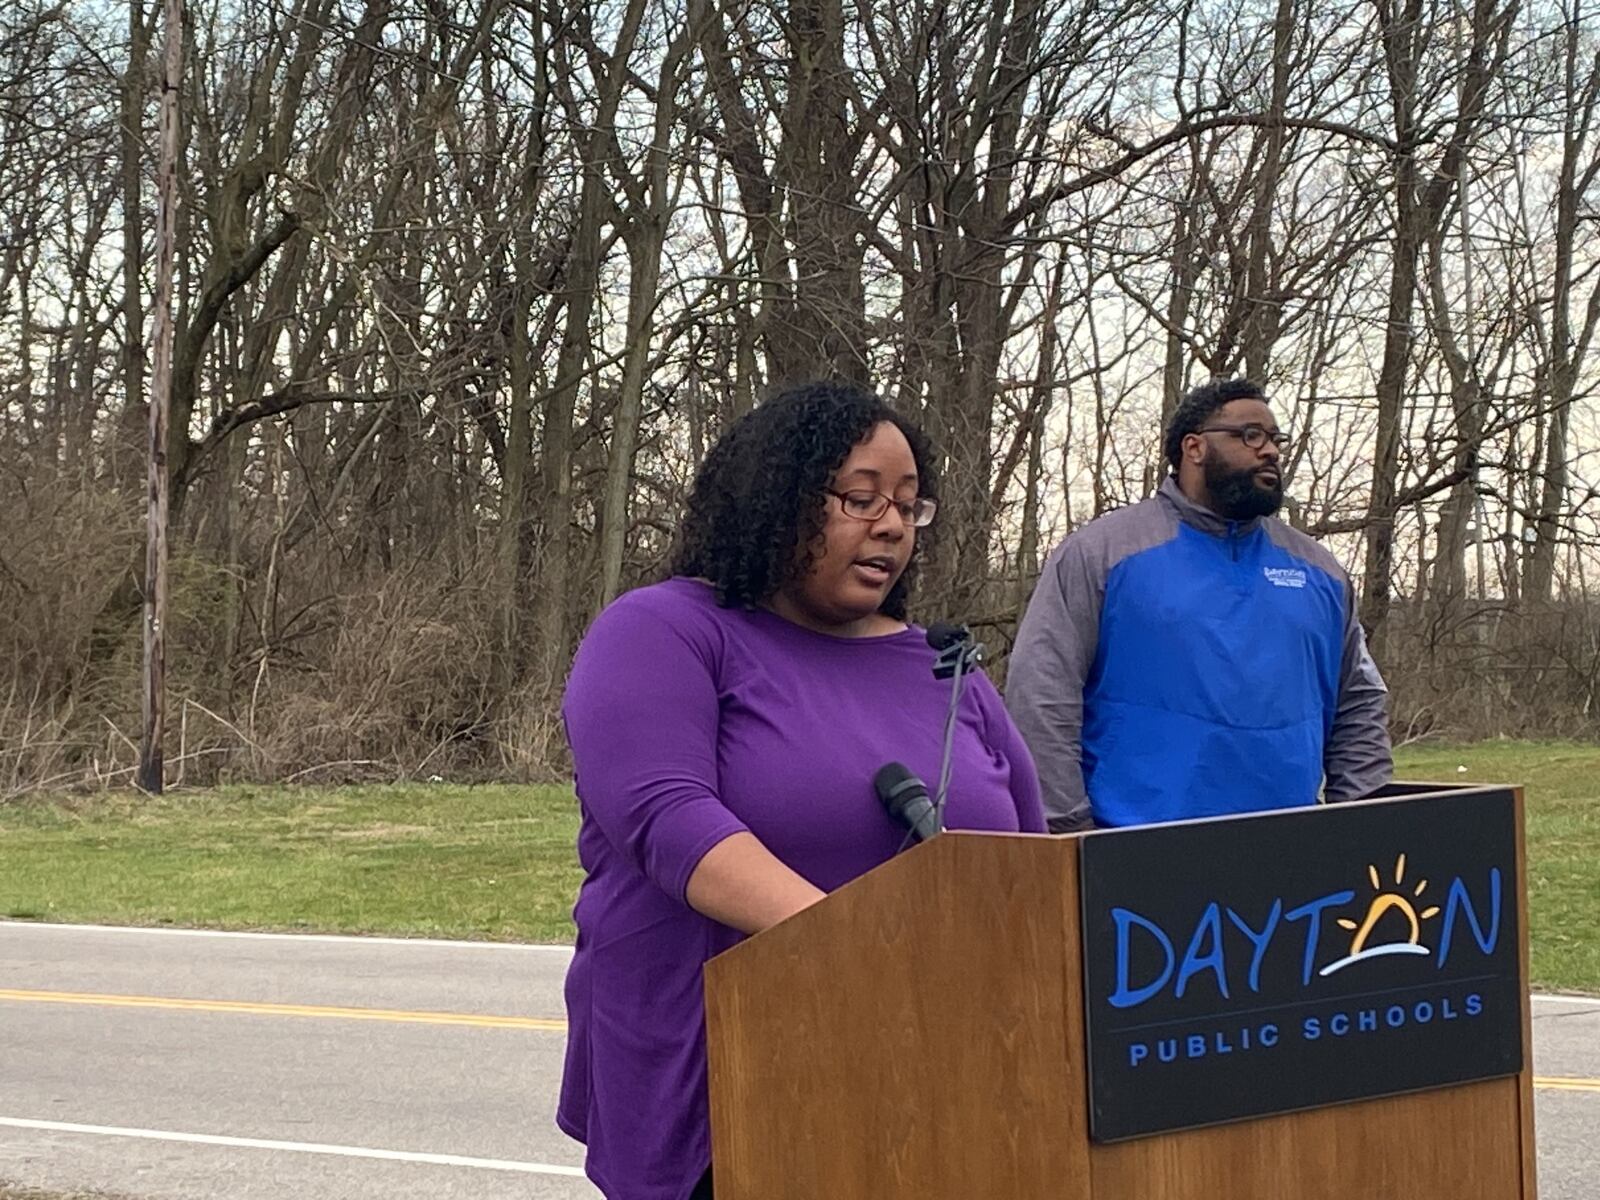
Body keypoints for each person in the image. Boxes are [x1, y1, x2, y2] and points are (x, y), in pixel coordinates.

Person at [557, 380, 1046, 1200]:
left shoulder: (947, 668)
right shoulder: (665, 631)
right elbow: (669, 822)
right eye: (860, 498)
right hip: (723, 1087)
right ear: (778, 499)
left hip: (937, 1085)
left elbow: (1031, 859)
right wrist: (867, 948)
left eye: (908, 505)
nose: (890, 524)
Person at [1006, 376, 1392, 832]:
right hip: (1134, 857)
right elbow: (1041, 696)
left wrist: (1360, 824)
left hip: (1293, 861)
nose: (1269, 450)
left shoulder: (1320, 573)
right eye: (1250, 435)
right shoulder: (1101, 555)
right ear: (1194, 448)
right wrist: (1072, 834)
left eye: (1275, 439)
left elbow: (1360, 703)